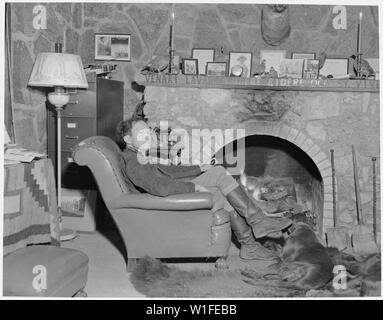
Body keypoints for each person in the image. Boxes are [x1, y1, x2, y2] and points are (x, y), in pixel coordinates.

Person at [115, 118, 292, 261]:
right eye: (142, 132)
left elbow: (168, 172)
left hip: (170, 192)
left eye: (149, 131)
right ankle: (255, 231)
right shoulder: (134, 162)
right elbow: (160, 187)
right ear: (128, 139)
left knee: (218, 174)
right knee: (220, 182)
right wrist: (194, 186)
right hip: (165, 201)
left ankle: (253, 236)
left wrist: (199, 168)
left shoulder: (137, 156)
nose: (149, 136)